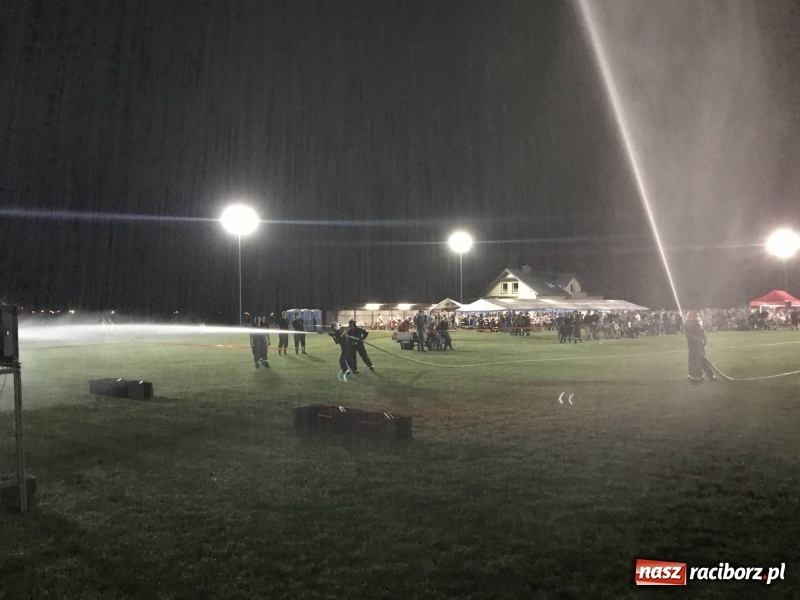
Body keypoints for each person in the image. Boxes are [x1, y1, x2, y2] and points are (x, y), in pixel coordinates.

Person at [685, 311, 716, 384]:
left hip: (699, 346)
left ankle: (709, 376)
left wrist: (703, 340)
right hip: (693, 346)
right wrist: (698, 340)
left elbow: (702, 333)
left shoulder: (697, 324)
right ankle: (695, 377)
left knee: (703, 361)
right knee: (694, 362)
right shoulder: (688, 324)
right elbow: (689, 335)